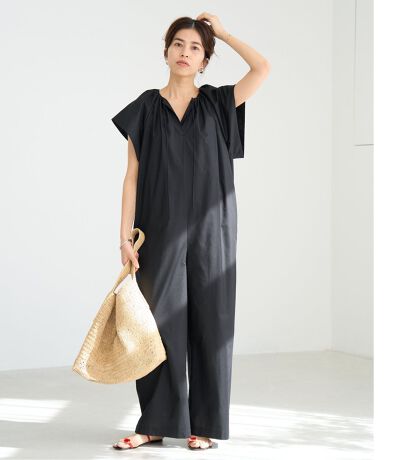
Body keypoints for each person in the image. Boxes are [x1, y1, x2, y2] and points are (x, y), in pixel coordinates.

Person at [110, 12, 270, 450]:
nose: (185, 52)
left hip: (213, 232)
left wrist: (223, 32)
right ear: (166, 52)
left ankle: (205, 425)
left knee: (211, 325)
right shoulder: (145, 107)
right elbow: (131, 176)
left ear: (205, 60)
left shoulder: (219, 103)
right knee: (158, 326)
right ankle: (155, 423)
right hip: (157, 231)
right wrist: (125, 236)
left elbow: (262, 68)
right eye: (178, 44)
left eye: (195, 47)